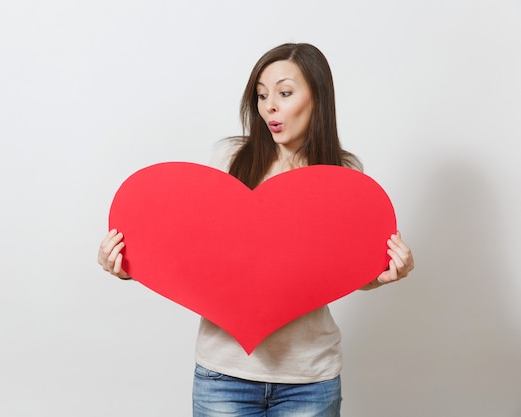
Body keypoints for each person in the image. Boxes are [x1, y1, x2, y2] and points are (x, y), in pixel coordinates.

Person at [98, 43, 414, 417]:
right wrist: (129, 264)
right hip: (224, 376)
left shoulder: (345, 176)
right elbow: (194, 252)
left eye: (284, 93)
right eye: (262, 95)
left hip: (309, 379)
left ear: (318, 97)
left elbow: (347, 272)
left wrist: (385, 273)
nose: (270, 107)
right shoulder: (230, 159)